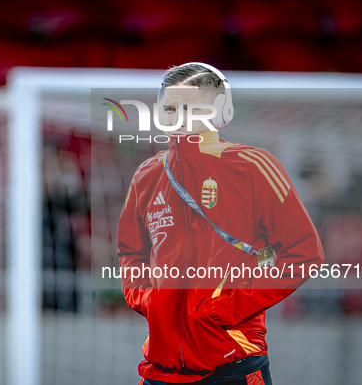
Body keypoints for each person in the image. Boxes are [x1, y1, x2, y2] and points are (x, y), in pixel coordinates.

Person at [116, 63, 324, 384]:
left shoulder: (253, 167)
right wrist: (148, 300)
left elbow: (303, 254)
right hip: (160, 369)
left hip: (234, 366)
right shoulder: (147, 175)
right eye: (170, 108)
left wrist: (223, 310)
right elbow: (130, 249)